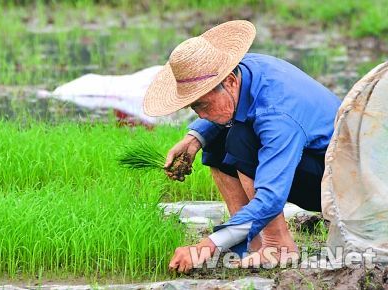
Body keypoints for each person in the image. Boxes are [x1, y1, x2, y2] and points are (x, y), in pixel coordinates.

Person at [143, 20, 341, 273]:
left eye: (202, 105)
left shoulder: (276, 115)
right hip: (316, 165)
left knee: (240, 138)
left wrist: (207, 246)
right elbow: (237, 105)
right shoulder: (246, 68)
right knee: (216, 137)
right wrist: (194, 139)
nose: (201, 115)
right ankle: (250, 243)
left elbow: (270, 196)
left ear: (230, 81)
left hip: (338, 187)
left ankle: (277, 246)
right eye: (194, 108)